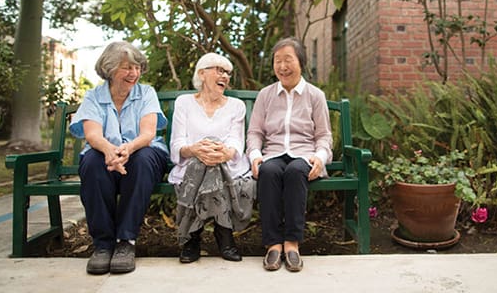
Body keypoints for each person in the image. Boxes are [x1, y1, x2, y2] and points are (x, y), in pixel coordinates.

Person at [69, 41, 170, 275]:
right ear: (110, 69)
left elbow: (147, 134)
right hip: (106, 153)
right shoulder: (94, 96)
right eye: (127, 68)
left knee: (143, 160)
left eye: (137, 67)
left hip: (141, 149)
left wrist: (127, 149)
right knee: (92, 163)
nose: (134, 73)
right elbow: (92, 134)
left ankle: (126, 241)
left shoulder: (146, 93)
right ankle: (103, 245)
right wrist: (110, 151)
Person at [246, 37, 333, 272]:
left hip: (304, 155)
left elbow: (324, 135)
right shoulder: (265, 95)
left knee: (295, 172)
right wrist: (255, 155)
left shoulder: (315, 95)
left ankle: (292, 244)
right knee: (269, 171)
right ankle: (273, 244)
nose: (282, 66)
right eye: (277, 61)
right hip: (273, 154)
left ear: (300, 63)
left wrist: (321, 157)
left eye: (288, 60)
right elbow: (254, 132)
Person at [168, 53, 256, 263]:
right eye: (218, 70)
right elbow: (177, 144)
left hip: (226, 166)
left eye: (227, 72)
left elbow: (236, 142)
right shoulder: (184, 103)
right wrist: (195, 150)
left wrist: (225, 152)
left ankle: (192, 236)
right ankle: (224, 233)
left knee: (213, 166)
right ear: (202, 74)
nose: (224, 76)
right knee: (202, 164)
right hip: (191, 166)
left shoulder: (236, 106)